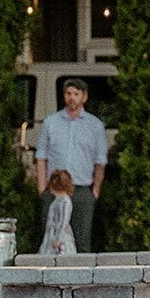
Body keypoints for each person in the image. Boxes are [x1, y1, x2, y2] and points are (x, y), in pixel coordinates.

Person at [34, 78, 106, 254]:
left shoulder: (95, 125)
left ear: (84, 97)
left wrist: (95, 190)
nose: (72, 97)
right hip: (54, 191)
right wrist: (42, 188)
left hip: (81, 190)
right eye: (68, 93)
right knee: (51, 240)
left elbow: (100, 161)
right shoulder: (51, 122)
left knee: (82, 242)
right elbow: (41, 156)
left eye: (76, 94)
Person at [38, 169, 77, 257]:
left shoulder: (65, 201)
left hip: (60, 235)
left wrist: (59, 239)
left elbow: (64, 221)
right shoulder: (56, 201)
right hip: (51, 234)